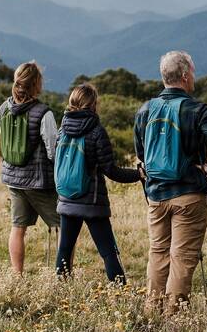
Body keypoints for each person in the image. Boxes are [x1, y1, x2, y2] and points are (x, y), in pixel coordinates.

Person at [134, 51, 207, 314]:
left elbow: (141, 154)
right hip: (188, 194)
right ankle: (174, 319)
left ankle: (152, 311)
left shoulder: (145, 110)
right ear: (185, 75)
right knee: (183, 258)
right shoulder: (197, 109)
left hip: (156, 195)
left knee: (158, 253)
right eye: (194, 72)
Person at [54, 83, 143, 282]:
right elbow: (111, 170)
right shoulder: (96, 131)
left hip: (67, 198)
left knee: (65, 249)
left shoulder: (63, 129)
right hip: (92, 202)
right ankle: (120, 293)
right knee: (108, 251)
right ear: (93, 104)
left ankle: (60, 290)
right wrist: (138, 174)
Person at [0, 61, 59, 274]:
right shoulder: (44, 113)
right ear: (36, 84)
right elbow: (53, 150)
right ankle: (63, 275)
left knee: (17, 228)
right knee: (62, 226)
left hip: (13, 178)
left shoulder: (4, 109)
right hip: (38, 182)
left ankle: (17, 275)